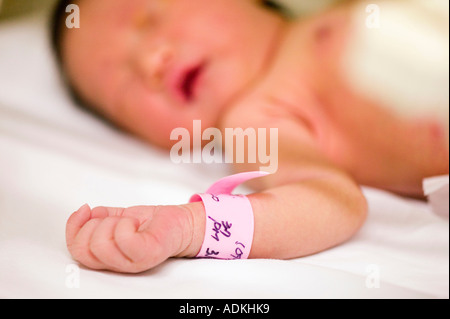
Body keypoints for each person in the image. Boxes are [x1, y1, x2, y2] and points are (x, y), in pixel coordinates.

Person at [53, 0, 448, 273]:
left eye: (149, 17)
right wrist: (189, 227)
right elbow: (329, 200)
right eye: (123, 86)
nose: (150, 61)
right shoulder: (254, 117)